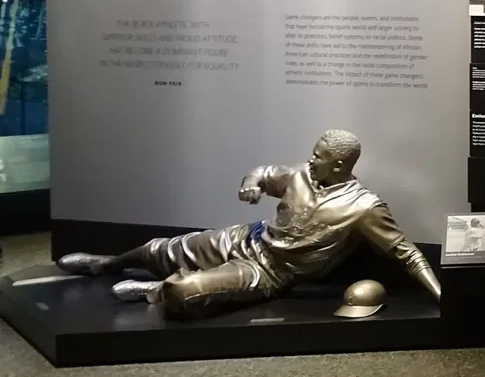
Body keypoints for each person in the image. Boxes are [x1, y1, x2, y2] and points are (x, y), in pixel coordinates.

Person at [54, 130, 442, 318]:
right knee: (158, 248)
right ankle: (104, 263)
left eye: (318, 156)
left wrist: (444, 297)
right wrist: (250, 185)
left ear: (339, 165)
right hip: (244, 238)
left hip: (268, 271)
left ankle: (157, 288)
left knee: (186, 294)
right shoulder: (300, 176)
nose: (310, 159)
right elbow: (261, 172)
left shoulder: (363, 207)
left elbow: (406, 254)